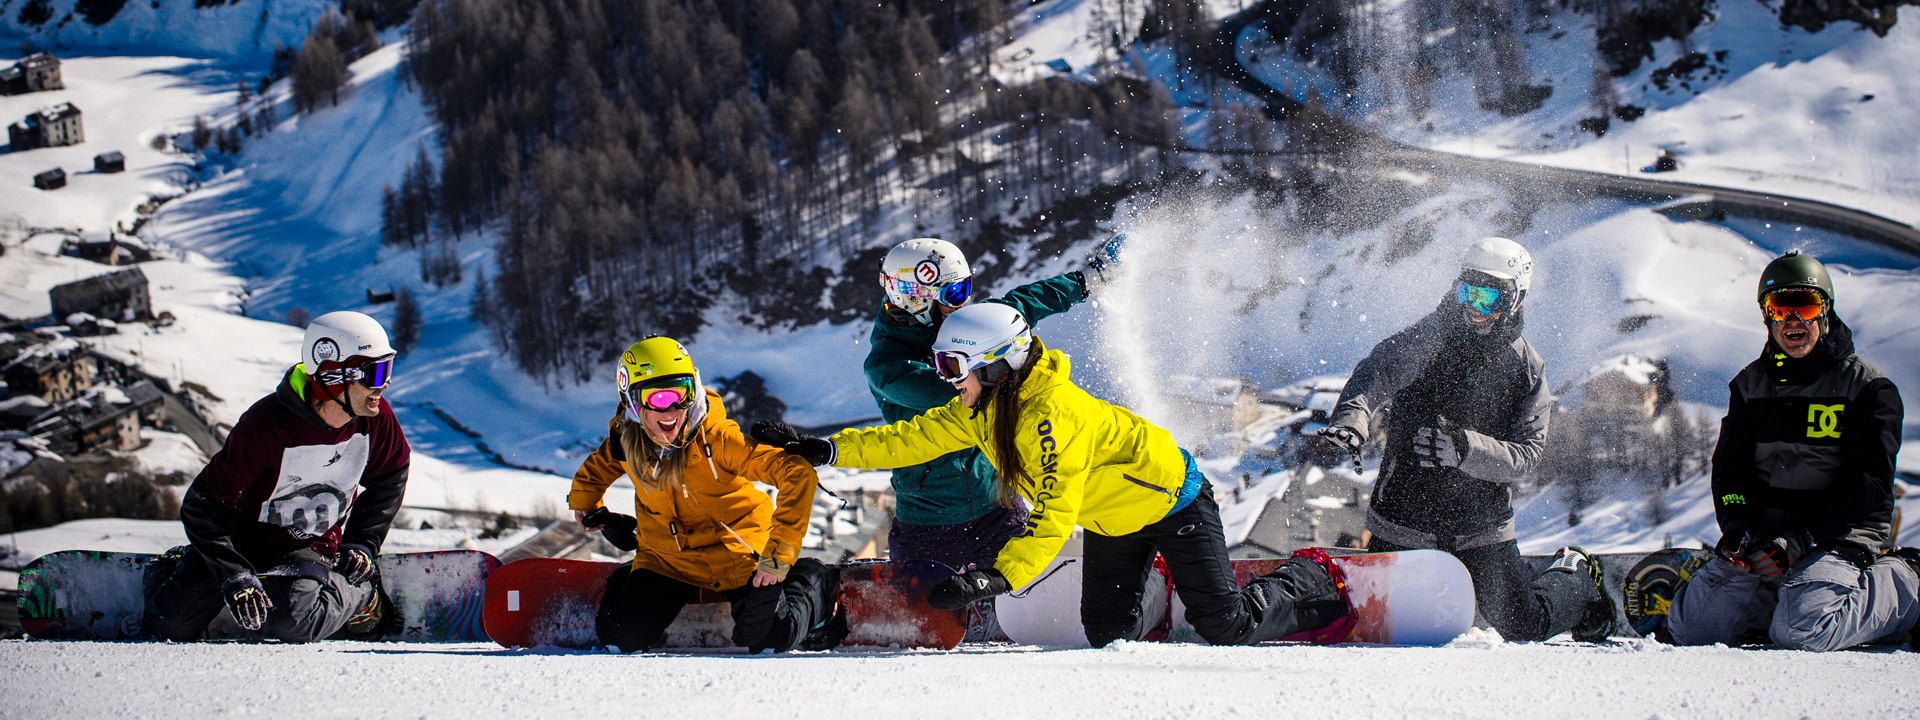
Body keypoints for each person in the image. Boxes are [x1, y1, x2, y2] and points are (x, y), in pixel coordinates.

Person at [756, 303, 1351, 648]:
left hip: (1174, 502)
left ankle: (1310, 579)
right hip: (1113, 520)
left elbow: (1052, 515)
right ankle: (1162, 582)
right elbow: (908, 438)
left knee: (1224, 624)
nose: (947, 380)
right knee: (1108, 632)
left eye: (954, 366)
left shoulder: (1048, 420)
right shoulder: (983, 410)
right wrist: (823, 449)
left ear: (995, 365)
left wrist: (994, 577)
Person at [1316, 237, 1615, 643]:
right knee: (1384, 628)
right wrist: (1353, 419)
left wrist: (1466, 450)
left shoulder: (1526, 367)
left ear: (1515, 299)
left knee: (1526, 627)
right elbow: (1375, 374)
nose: (1475, 308)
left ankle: (1573, 575)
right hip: (1405, 523)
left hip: (1481, 527)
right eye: (1468, 292)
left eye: (1489, 298)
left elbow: (1527, 455)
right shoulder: (1429, 338)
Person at [1668, 251, 1917, 651]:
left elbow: (1869, 485)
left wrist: (1800, 539)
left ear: (1825, 311)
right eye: (1780, 308)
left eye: (1805, 306)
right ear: (1767, 316)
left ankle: (1905, 582)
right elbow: (1730, 471)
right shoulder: (1750, 386)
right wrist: (1737, 527)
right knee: (1693, 633)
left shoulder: (1867, 388)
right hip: (1769, 541)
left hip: (1838, 536)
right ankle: (1775, 598)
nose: (1793, 320)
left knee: (1802, 631)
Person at [144, 311, 408, 642]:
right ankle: (174, 568)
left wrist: (362, 545)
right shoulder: (265, 427)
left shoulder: (376, 419)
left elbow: (391, 475)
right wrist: (233, 574)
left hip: (307, 542)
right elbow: (203, 504)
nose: (383, 385)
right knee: (169, 624)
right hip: (240, 540)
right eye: (374, 372)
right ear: (332, 375)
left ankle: (361, 591)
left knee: (295, 624)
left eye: (387, 369)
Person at [864, 236, 1121, 575]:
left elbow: (1019, 306)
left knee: (1021, 607)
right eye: (951, 295)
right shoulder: (889, 366)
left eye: (962, 291)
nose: (960, 305)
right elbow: (957, 389)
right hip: (929, 526)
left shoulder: (953, 327)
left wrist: (1087, 281)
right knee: (936, 620)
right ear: (914, 299)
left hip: (999, 507)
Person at [570, 337, 839, 654]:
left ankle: (815, 579)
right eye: (657, 399)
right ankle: (627, 581)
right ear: (632, 402)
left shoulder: (718, 438)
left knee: (771, 637)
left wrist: (779, 554)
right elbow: (597, 468)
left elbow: (796, 473)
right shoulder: (627, 442)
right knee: (621, 639)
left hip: (737, 552)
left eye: (682, 393)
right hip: (667, 559)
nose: (672, 410)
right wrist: (586, 504)